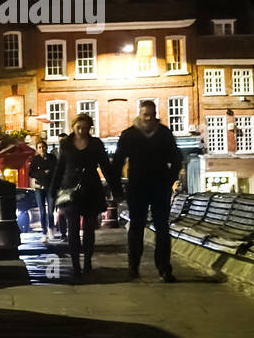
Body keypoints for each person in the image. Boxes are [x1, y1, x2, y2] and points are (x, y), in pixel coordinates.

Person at [111, 100, 183, 282]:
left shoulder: (164, 134)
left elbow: (176, 158)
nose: (149, 118)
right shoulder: (129, 135)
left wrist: (169, 179)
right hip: (137, 186)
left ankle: (164, 269)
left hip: (160, 187)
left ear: (155, 114)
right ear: (140, 114)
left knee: (162, 228)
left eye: (152, 115)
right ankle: (133, 266)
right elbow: (117, 163)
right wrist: (117, 190)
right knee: (136, 227)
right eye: (145, 115)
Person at [51, 113, 119, 281]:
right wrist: (52, 192)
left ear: (90, 128)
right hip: (70, 191)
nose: (81, 131)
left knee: (89, 229)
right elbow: (59, 168)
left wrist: (116, 191)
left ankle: (87, 261)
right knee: (73, 229)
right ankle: (75, 265)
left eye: (85, 127)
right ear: (73, 127)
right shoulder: (65, 144)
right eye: (78, 127)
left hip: (91, 190)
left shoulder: (96, 144)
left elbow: (106, 167)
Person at [27, 139, 56, 240]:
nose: (42, 149)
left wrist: (49, 173)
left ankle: (51, 229)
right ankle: (44, 232)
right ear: (37, 149)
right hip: (39, 188)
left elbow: (56, 171)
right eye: (39, 147)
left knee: (51, 210)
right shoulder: (35, 160)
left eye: (43, 147)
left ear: (46, 148)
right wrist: (43, 173)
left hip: (50, 187)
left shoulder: (52, 158)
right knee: (42, 211)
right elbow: (30, 173)